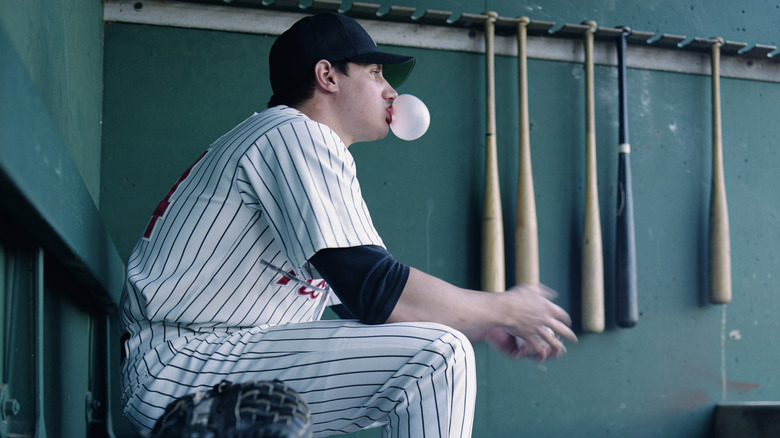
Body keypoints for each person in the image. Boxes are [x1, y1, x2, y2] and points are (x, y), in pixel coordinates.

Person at [119, 11, 577, 437]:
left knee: (442, 343)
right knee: (439, 355)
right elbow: (375, 288)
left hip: (205, 359)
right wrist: (504, 308)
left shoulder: (292, 142)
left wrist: (481, 323)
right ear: (327, 76)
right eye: (375, 73)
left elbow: (359, 304)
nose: (391, 91)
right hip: (186, 364)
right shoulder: (294, 133)